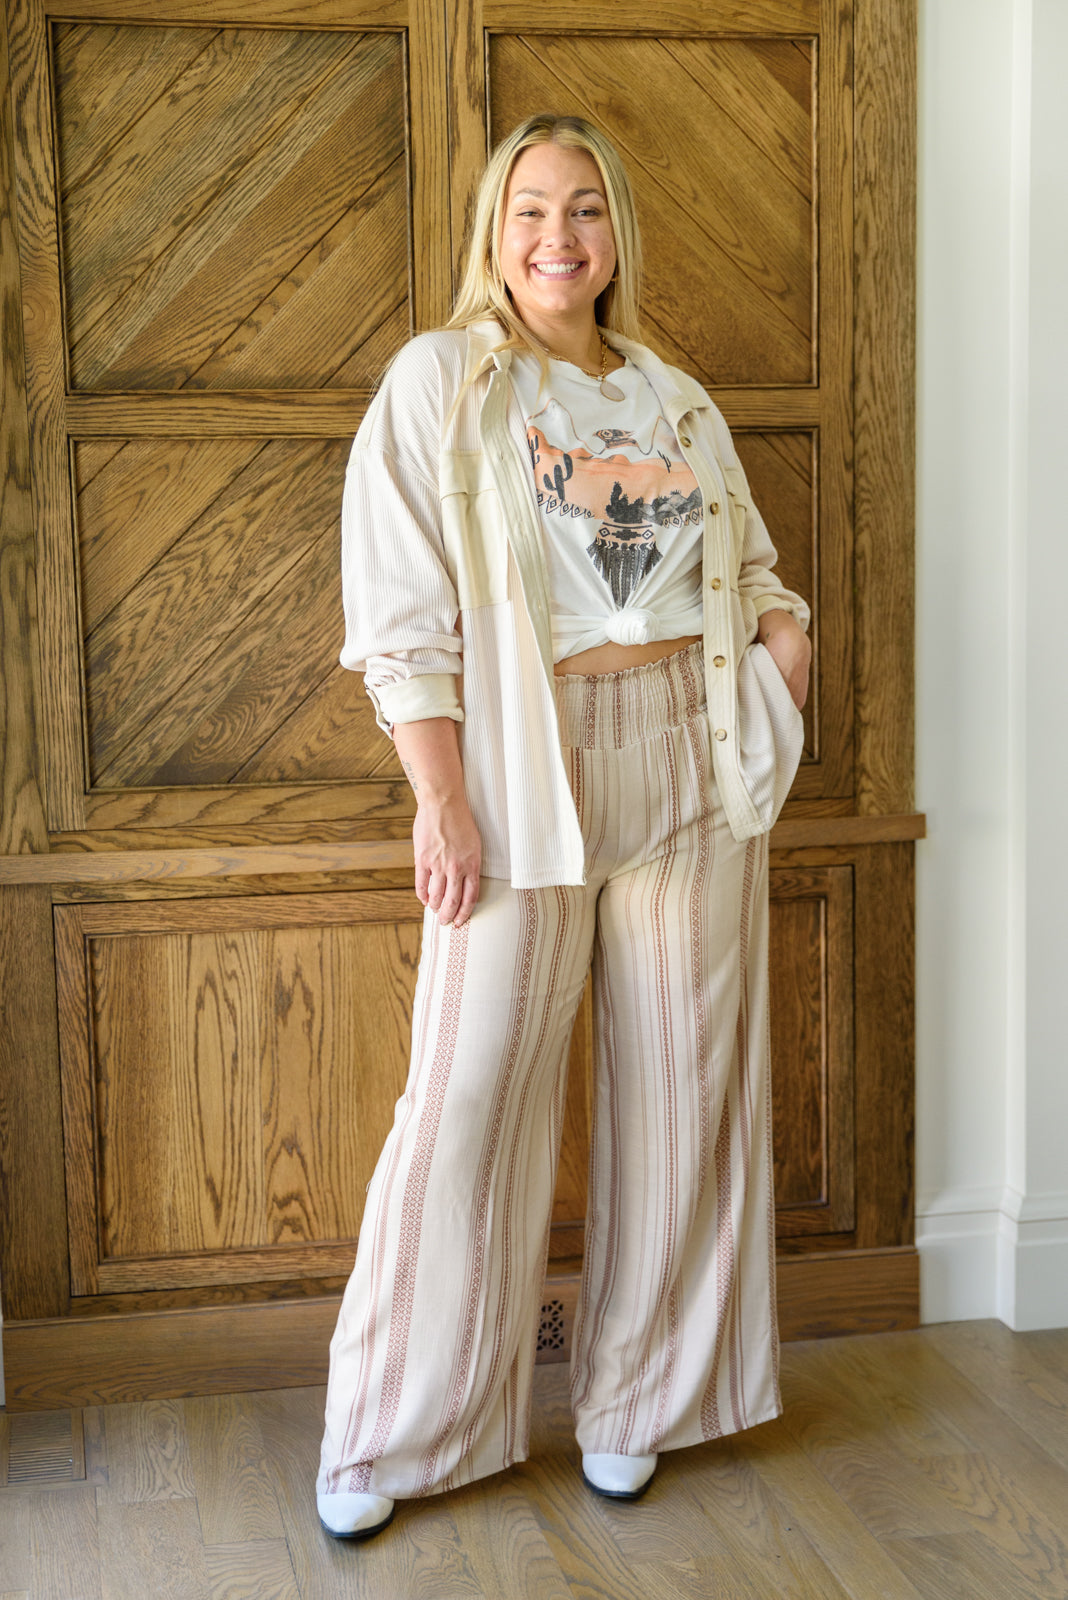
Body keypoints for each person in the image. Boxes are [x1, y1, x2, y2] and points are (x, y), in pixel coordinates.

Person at [316, 113, 811, 1540]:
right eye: (531, 209)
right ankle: (395, 1432)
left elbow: (746, 563)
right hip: (524, 766)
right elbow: (402, 617)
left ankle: (640, 1405)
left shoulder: (673, 396)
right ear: (494, 229)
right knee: (467, 1094)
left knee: (683, 1087)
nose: (558, 236)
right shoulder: (441, 382)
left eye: (585, 209)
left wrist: (784, 644)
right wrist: (442, 796)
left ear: (616, 235)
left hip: (690, 757)